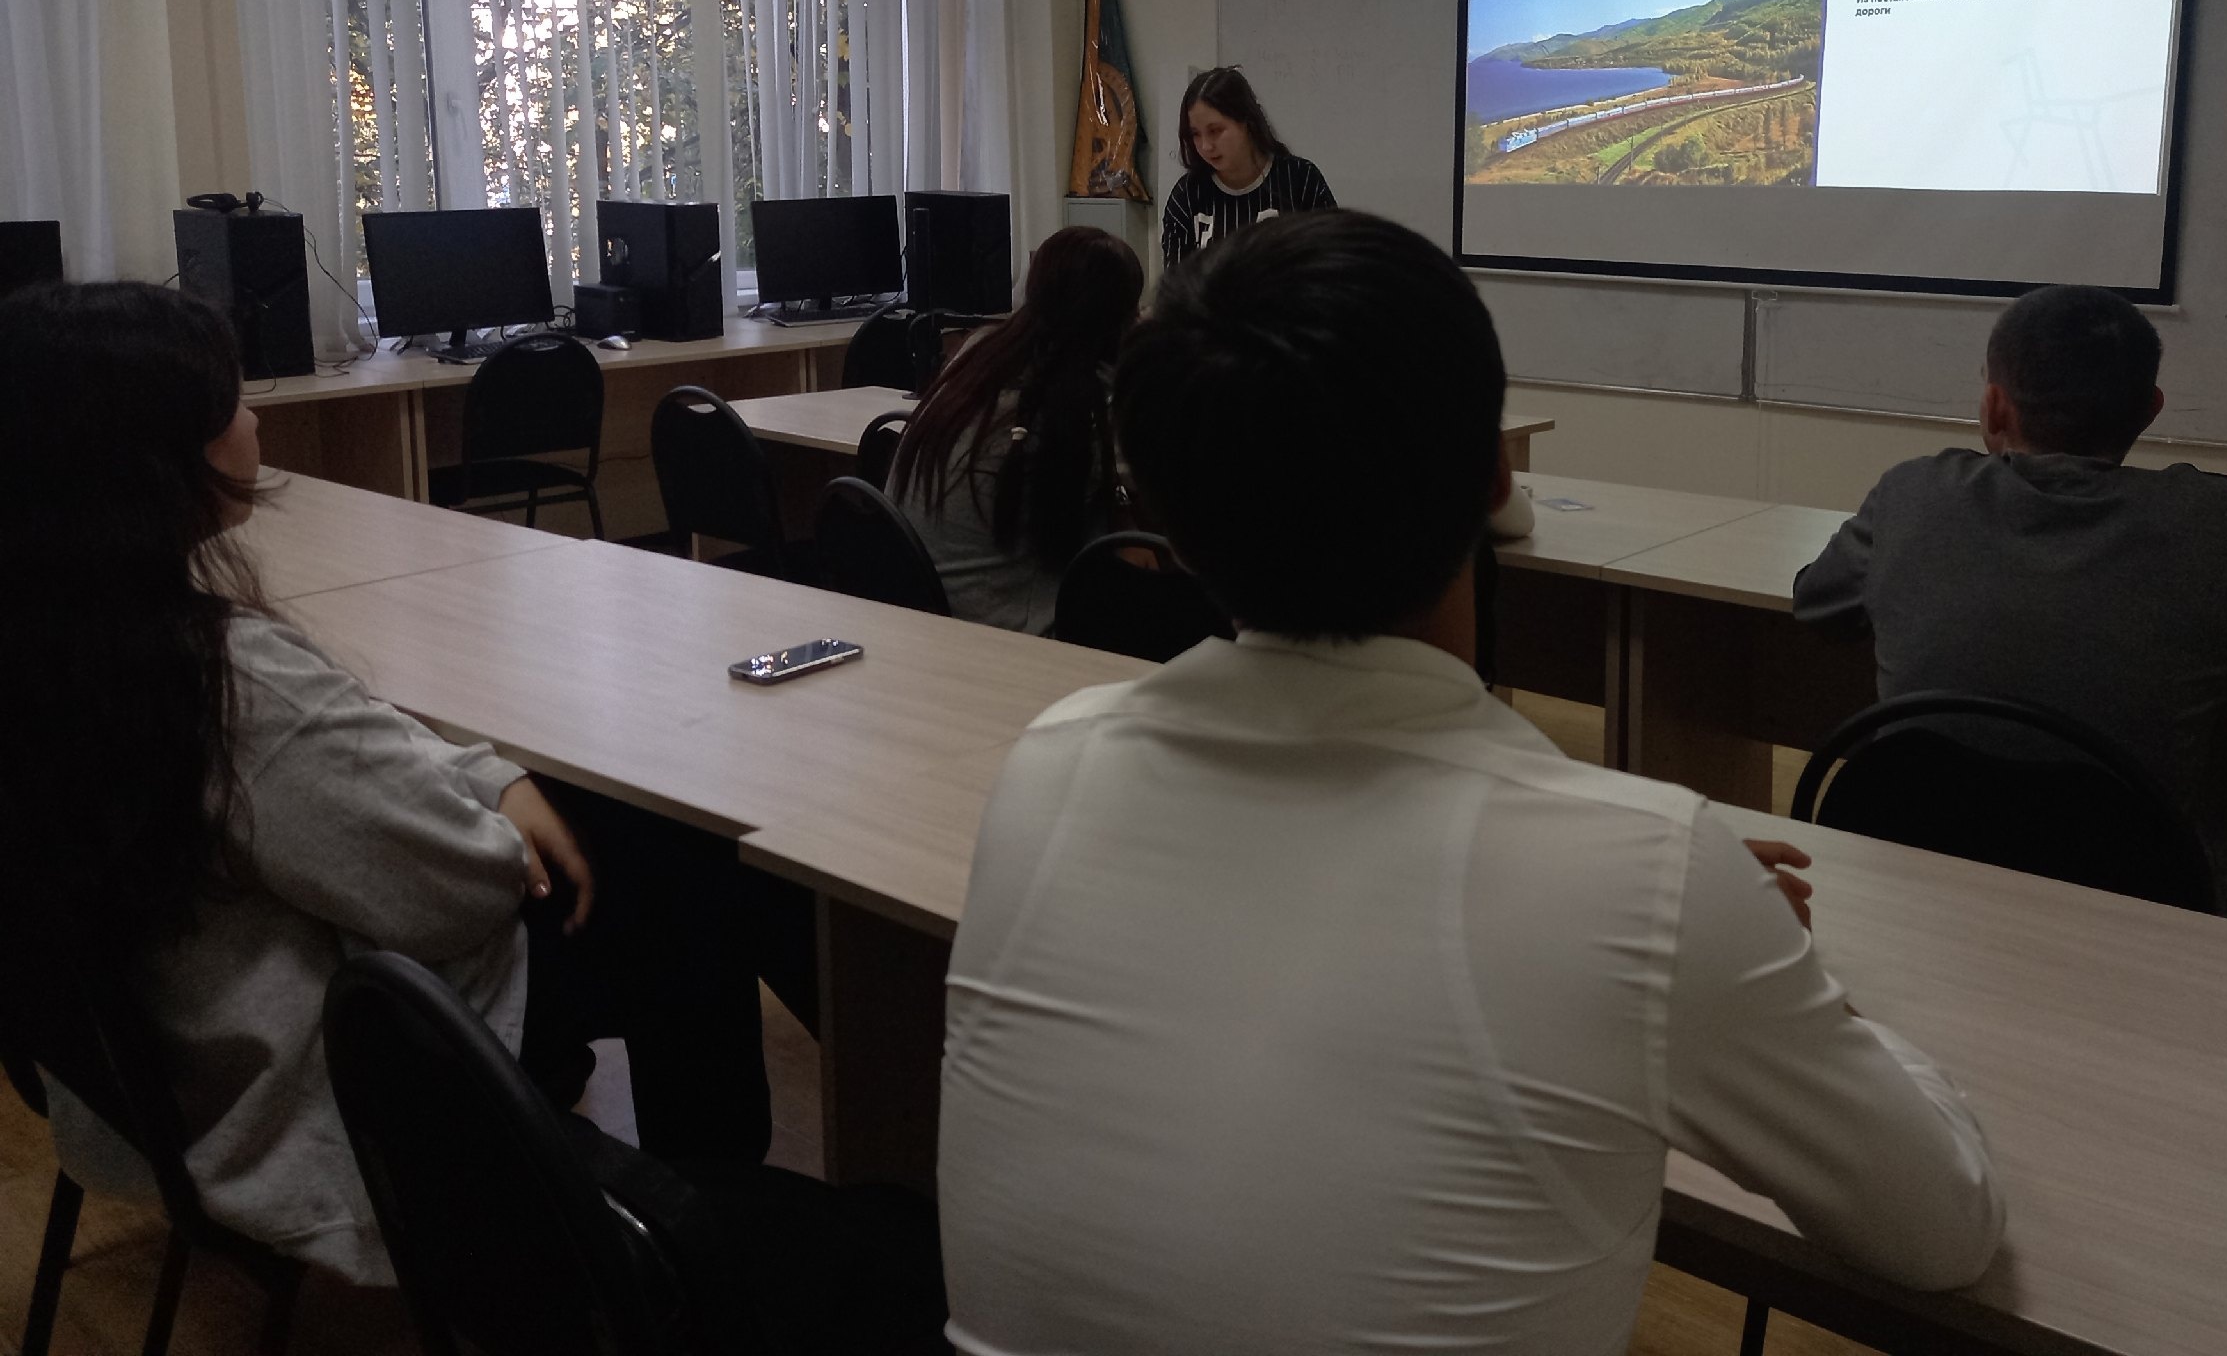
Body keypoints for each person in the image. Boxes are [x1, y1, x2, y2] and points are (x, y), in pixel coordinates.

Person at [938, 212, 2005, 1355]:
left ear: (1160, 519)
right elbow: (1941, 1231)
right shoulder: (1648, 878)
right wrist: (1737, 945)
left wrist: (1653, 891)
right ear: (1496, 475)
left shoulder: (1049, 764)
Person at [0, 281, 777, 1285]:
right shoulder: (220, 681)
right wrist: (494, 817)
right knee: (686, 874)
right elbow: (454, 893)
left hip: (168, 1077)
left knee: (620, 838)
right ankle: (692, 1238)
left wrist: (491, 776)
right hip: (327, 1082)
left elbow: (356, 749)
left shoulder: (65, 648)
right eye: (232, 401)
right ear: (151, 459)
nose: (256, 419)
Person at [1792, 283, 2227, 919]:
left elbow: (1818, 605)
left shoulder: (1912, 497)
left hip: (1911, 899)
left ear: (1995, 405)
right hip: (2141, 921)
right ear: (2149, 409)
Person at [891, 226, 1143, 632]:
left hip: (925, 621)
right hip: (1007, 636)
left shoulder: (979, 354)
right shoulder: (1071, 412)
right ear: (1116, 323)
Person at [1157, 65, 1336, 272]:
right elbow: (1177, 281)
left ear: (1247, 123)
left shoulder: (1301, 181)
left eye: (1215, 131)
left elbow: (1333, 264)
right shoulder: (1187, 196)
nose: (1206, 146)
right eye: (1195, 134)